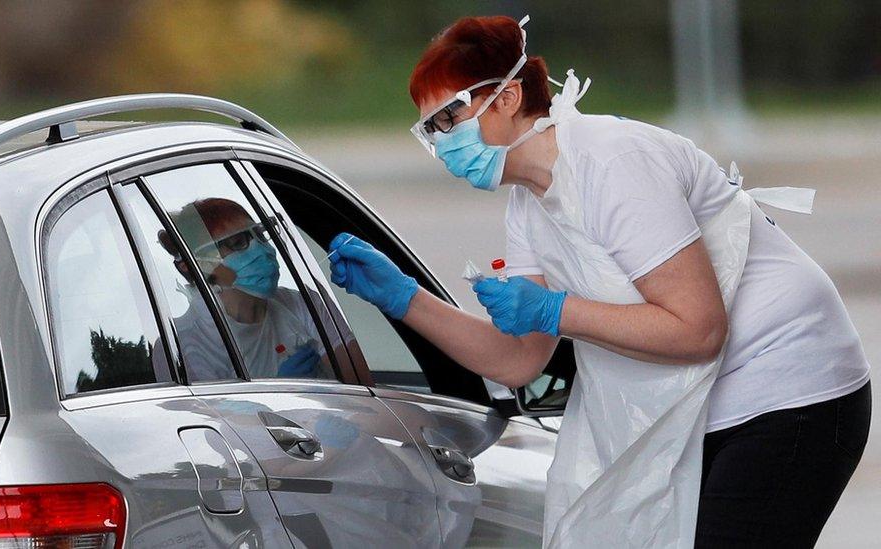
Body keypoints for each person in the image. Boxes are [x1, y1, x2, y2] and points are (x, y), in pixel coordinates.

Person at [326, 14, 871, 548]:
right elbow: (518, 360)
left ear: (508, 97)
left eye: (447, 118)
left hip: (788, 387)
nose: (442, 143)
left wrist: (552, 310)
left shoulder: (612, 162)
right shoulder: (528, 204)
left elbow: (699, 331)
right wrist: (402, 296)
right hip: (704, 405)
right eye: (429, 131)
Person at [159, 197, 334, 381]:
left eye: (259, 234)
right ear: (202, 262)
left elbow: (358, 386)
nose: (261, 249)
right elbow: (205, 409)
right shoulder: (184, 345)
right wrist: (277, 392)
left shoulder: (304, 303)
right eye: (237, 242)